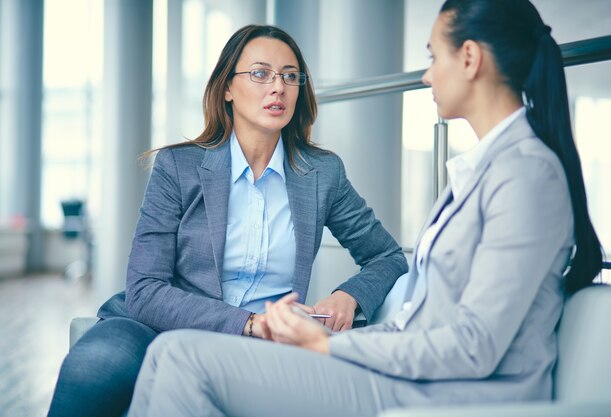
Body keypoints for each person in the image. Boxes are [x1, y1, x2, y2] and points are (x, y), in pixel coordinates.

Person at [125, 1, 605, 416]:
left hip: (451, 394)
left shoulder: (526, 174)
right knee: (172, 350)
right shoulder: (485, 168)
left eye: (433, 57)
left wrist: (328, 341)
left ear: (471, 58)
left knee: (183, 357)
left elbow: (471, 344)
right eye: (261, 74)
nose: (426, 74)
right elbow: (424, 324)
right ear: (227, 87)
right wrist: (327, 342)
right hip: (416, 376)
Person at [47, 25, 408, 417]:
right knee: (95, 365)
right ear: (227, 89)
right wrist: (249, 322)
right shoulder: (178, 166)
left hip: (259, 346)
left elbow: (387, 257)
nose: (278, 87)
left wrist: (349, 295)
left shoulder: (321, 174)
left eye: (290, 76)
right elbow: (145, 289)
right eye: (260, 73)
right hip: (158, 325)